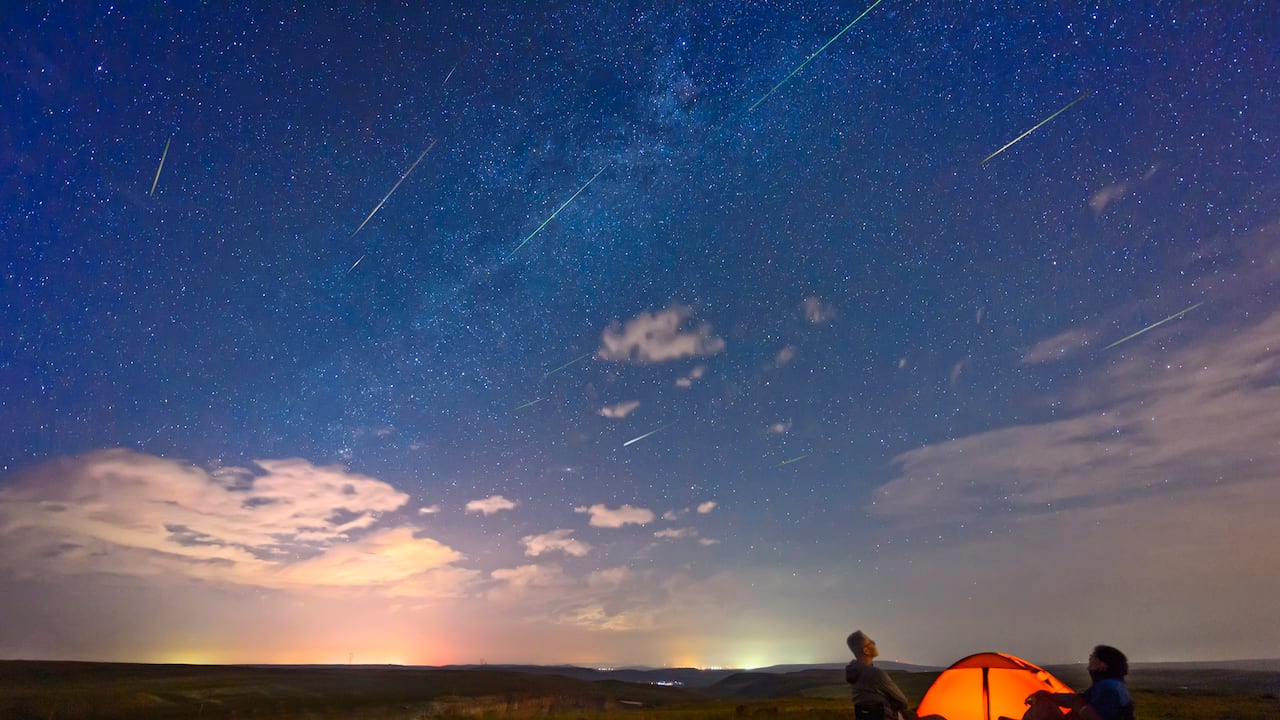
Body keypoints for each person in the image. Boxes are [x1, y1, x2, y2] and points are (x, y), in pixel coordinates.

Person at [1018, 645, 1135, 720]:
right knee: (1045, 701)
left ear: (1103, 665)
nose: (1090, 658)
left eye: (1094, 657)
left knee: (1044, 706)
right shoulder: (1109, 684)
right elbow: (1081, 698)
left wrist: (1080, 707)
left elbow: (1095, 714)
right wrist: (1049, 696)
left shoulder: (1109, 688)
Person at [845, 630, 917, 720]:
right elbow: (903, 702)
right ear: (866, 650)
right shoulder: (876, 674)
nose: (874, 643)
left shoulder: (853, 673)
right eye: (870, 642)